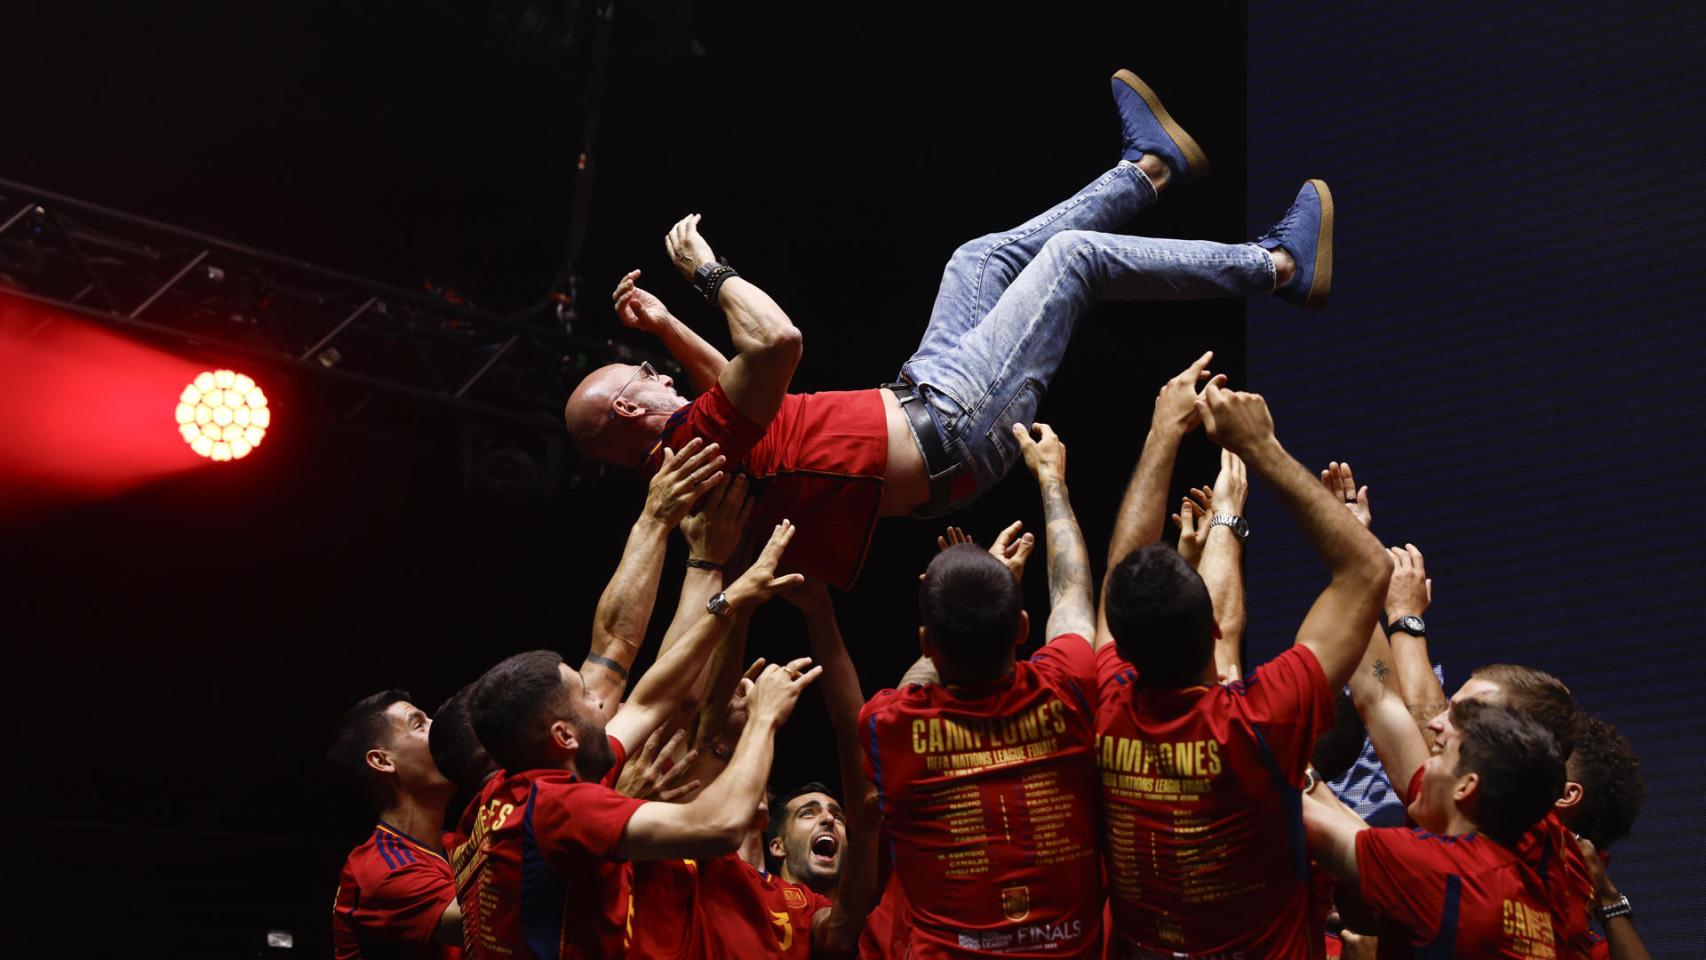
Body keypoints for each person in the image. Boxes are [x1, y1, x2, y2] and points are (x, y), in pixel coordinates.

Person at [562, 69, 1336, 589]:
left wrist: (667, 327)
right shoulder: (691, 456)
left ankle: (1150, 169)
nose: (658, 378)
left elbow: (739, 392)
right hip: (954, 430)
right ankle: (1274, 265)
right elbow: (774, 348)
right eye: (643, 380)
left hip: (931, 405)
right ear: (629, 412)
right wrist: (706, 273)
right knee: (1071, 260)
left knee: (977, 261)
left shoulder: (692, 451)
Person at [1095, 376, 1391, 958]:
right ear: (1211, 630)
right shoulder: (1258, 721)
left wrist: (1161, 436)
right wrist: (1262, 447)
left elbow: (1121, 576)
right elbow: (1368, 571)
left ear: (1122, 648)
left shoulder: (1105, 706)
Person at [455, 523, 818, 960]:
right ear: (563, 736)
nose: (604, 700)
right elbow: (718, 827)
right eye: (586, 696)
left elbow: (651, 701)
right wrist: (764, 720)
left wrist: (731, 600)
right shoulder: (561, 810)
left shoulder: (507, 796)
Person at [860, 420, 1105, 957]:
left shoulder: (888, 726)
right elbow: (1073, 597)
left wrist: (976, 585)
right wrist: (1051, 481)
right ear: (1021, 627)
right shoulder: (1067, 686)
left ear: (926, 641)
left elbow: (914, 682)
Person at [1303, 698, 1568, 958]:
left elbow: (1307, 814)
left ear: (1465, 787)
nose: (1424, 765)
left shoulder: (1443, 871)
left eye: (1438, 754)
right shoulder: (1527, 885)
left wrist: (1292, 744)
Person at [328, 690, 464, 960]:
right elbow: (484, 924)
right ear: (382, 761)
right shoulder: (379, 869)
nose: (438, 726)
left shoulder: (455, 844)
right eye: (419, 724)